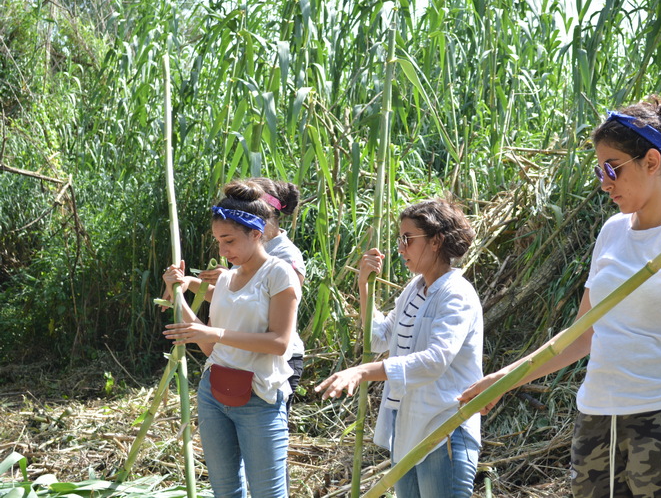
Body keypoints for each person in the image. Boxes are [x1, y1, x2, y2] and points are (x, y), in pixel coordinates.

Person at [459, 96, 661, 498]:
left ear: (651, 161)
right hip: (600, 421)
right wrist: (503, 380)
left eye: (612, 168)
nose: (604, 183)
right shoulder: (612, 231)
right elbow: (582, 335)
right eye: (600, 170)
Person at [316, 199, 483, 498]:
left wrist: (362, 372)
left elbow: (435, 361)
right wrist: (364, 286)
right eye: (400, 240)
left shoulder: (456, 293)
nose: (401, 248)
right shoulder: (415, 290)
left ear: (436, 241)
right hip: (407, 429)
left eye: (408, 239)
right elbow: (379, 338)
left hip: (444, 428)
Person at [162, 180, 301, 498]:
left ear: (256, 233)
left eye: (229, 241)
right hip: (213, 393)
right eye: (218, 242)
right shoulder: (227, 279)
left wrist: (213, 332)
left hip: (258, 397)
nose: (223, 251)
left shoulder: (279, 273)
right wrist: (178, 293)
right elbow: (210, 346)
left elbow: (280, 342)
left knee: (268, 493)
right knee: (225, 491)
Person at [163, 178, 307, 410]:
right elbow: (238, 303)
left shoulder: (284, 259)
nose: (223, 249)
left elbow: (269, 312)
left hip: (272, 364)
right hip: (235, 357)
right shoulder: (241, 252)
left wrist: (213, 331)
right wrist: (188, 284)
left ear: (261, 217)